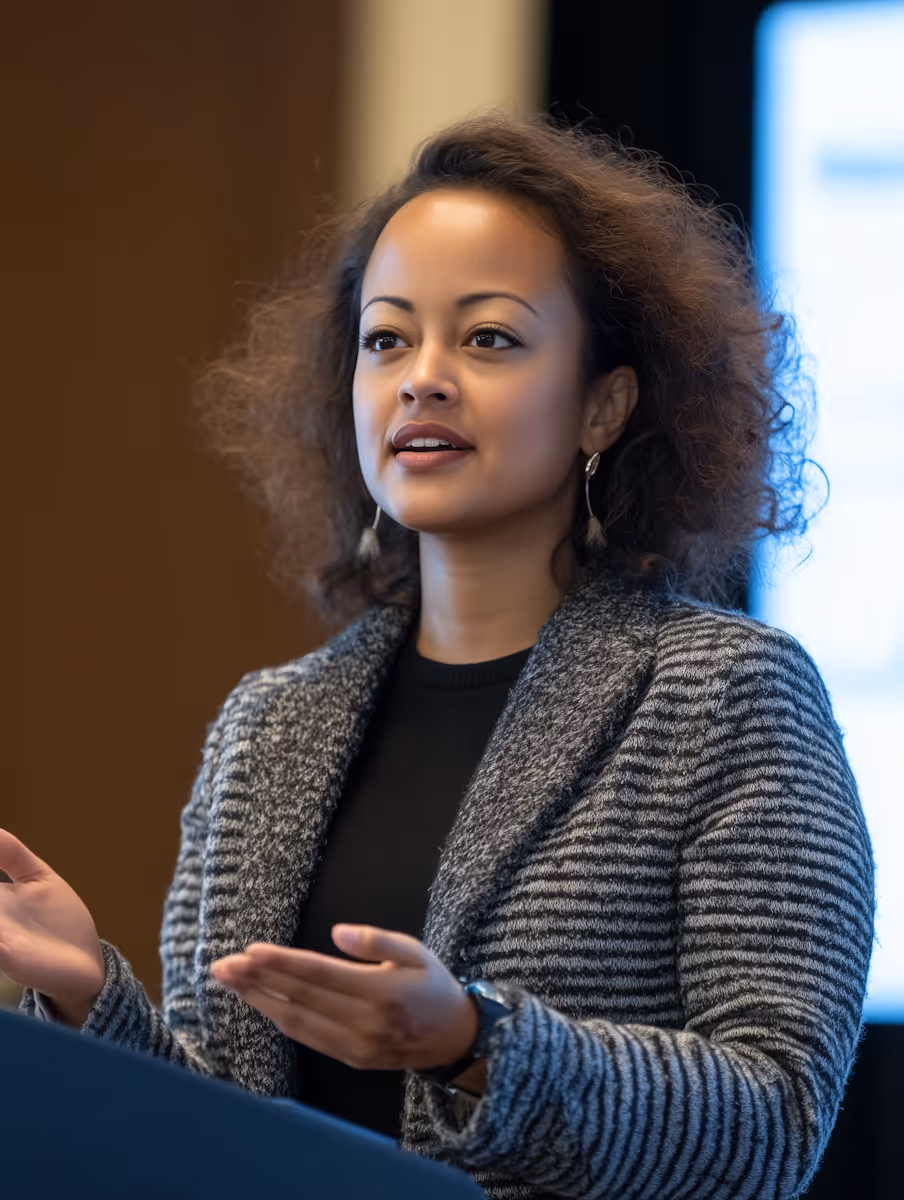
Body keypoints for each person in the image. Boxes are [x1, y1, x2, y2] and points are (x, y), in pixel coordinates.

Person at [0, 111, 875, 1200]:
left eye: (489, 338)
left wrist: (474, 1045)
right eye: (387, 339)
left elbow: (773, 1123)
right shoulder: (266, 726)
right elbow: (224, 1126)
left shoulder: (731, 698)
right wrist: (91, 999)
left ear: (603, 402)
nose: (423, 378)